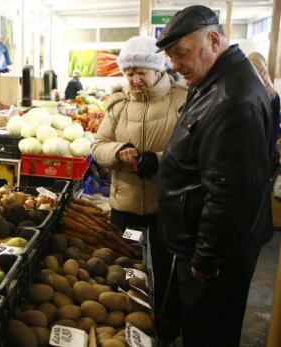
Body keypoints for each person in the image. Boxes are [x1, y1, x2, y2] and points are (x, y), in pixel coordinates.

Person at [155, 5, 277, 347]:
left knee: (209, 334)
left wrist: (206, 260)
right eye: (171, 57)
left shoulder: (232, 99)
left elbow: (228, 192)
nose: (175, 66)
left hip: (214, 258)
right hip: (202, 244)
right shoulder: (215, 81)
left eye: (181, 54)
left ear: (213, 40)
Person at [91, 35, 187, 343]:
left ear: (157, 69)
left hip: (165, 208)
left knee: (165, 271)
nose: (134, 79)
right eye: (129, 73)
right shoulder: (118, 105)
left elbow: (193, 151)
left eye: (140, 72)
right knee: (125, 269)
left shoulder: (183, 100)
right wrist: (118, 152)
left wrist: (158, 161)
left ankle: (164, 328)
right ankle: (125, 329)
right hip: (126, 208)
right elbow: (97, 146)